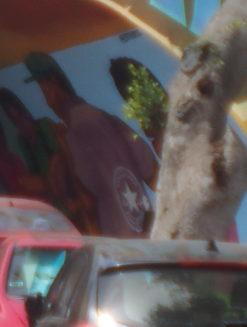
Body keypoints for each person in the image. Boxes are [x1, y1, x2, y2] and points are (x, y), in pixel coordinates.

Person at [24, 50, 161, 237]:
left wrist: (64, 150)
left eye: (44, 91)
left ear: (52, 85)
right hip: (147, 234)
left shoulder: (75, 133)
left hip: (121, 244)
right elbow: (151, 171)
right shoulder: (102, 116)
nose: (47, 102)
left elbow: (87, 202)